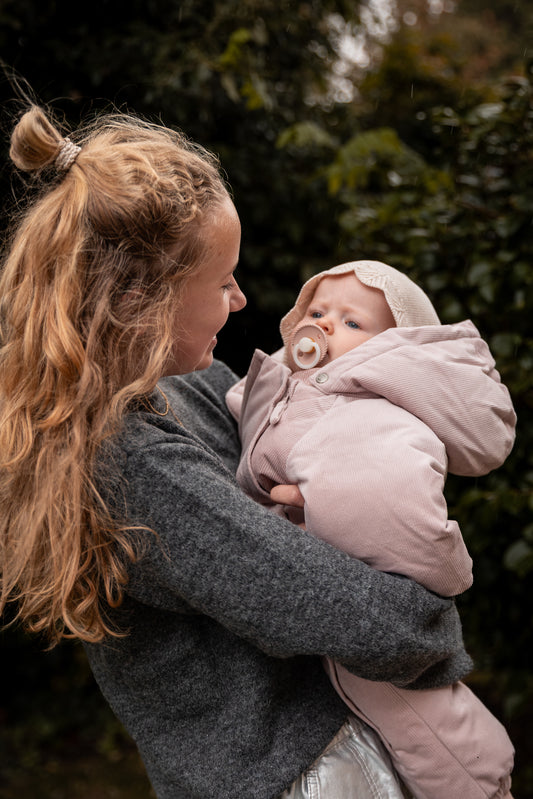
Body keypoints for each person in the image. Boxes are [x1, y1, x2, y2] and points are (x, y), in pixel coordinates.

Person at [0, 104, 476, 799]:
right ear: (143, 299)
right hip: (294, 777)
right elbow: (338, 609)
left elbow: (302, 452)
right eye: (222, 281)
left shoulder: (193, 384)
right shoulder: (128, 461)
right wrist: (435, 625)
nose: (240, 297)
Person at [226, 260, 517, 799]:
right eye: (317, 312)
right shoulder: (293, 386)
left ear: (397, 351)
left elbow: (383, 491)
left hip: (372, 587)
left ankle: (480, 785)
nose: (328, 325)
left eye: (353, 323)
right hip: (325, 589)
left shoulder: (372, 404)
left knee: (415, 710)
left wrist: (310, 507)